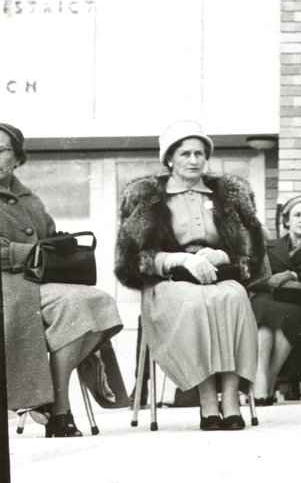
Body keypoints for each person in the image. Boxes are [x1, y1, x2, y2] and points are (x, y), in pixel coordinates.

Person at [115, 120, 269, 432]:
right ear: (169, 158)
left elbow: (253, 251)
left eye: (200, 153)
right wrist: (179, 258)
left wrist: (221, 255)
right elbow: (131, 259)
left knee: (235, 297)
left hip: (219, 276)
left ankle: (231, 398)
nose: (194, 159)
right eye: (185, 153)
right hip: (167, 283)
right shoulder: (145, 196)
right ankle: (207, 399)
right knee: (195, 303)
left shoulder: (228, 193)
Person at [1, 122, 126, 437]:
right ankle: (59, 408)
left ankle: (49, 396)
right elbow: (28, 250)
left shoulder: (29, 199)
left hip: (33, 283)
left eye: (1, 149)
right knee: (74, 305)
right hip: (8, 286)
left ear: (16, 158)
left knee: (97, 301)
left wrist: (60, 241)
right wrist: (29, 253)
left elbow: (46, 234)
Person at [250, 195, 301, 404]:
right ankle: (261, 377)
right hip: (269, 298)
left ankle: (269, 377)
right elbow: (254, 279)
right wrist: (271, 281)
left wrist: (294, 276)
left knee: (287, 315)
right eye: (297, 215)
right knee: (263, 315)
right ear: (286, 220)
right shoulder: (269, 247)